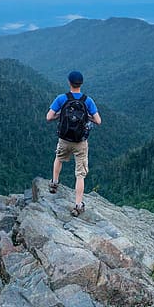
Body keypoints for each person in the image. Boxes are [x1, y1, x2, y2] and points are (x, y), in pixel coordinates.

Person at [45, 70, 102, 216]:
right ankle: (77, 204)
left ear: (69, 83)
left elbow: (49, 117)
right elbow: (98, 121)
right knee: (80, 174)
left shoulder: (62, 98)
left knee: (59, 158)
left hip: (64, 138)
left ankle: (54, 183)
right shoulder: (87, 101)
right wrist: (86, 117)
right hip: (80, 141)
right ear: (81, 84)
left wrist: (61, 115)